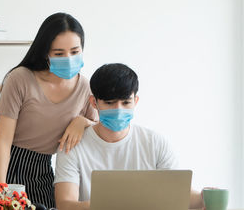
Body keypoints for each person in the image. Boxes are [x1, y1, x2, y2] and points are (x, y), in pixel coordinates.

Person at [0, 12, 97, 208]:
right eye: (59, 53)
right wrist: (0, 187)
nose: (68, 58)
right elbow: (3, 139)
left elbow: (100, 130)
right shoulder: (20, 78)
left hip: (42, 167)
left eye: (75, 51)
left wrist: (84, 121)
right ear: (45, 52)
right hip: (3, 163)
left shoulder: (84, 87)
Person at [54, 63, 205, 210]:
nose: (118, 110)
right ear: (94, 102)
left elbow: (177, 194)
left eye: (126, 102)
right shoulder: (73, 145)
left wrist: (204, 198)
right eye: (109, 102)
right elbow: (65, 205)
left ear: (135, 101)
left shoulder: (155, 143)